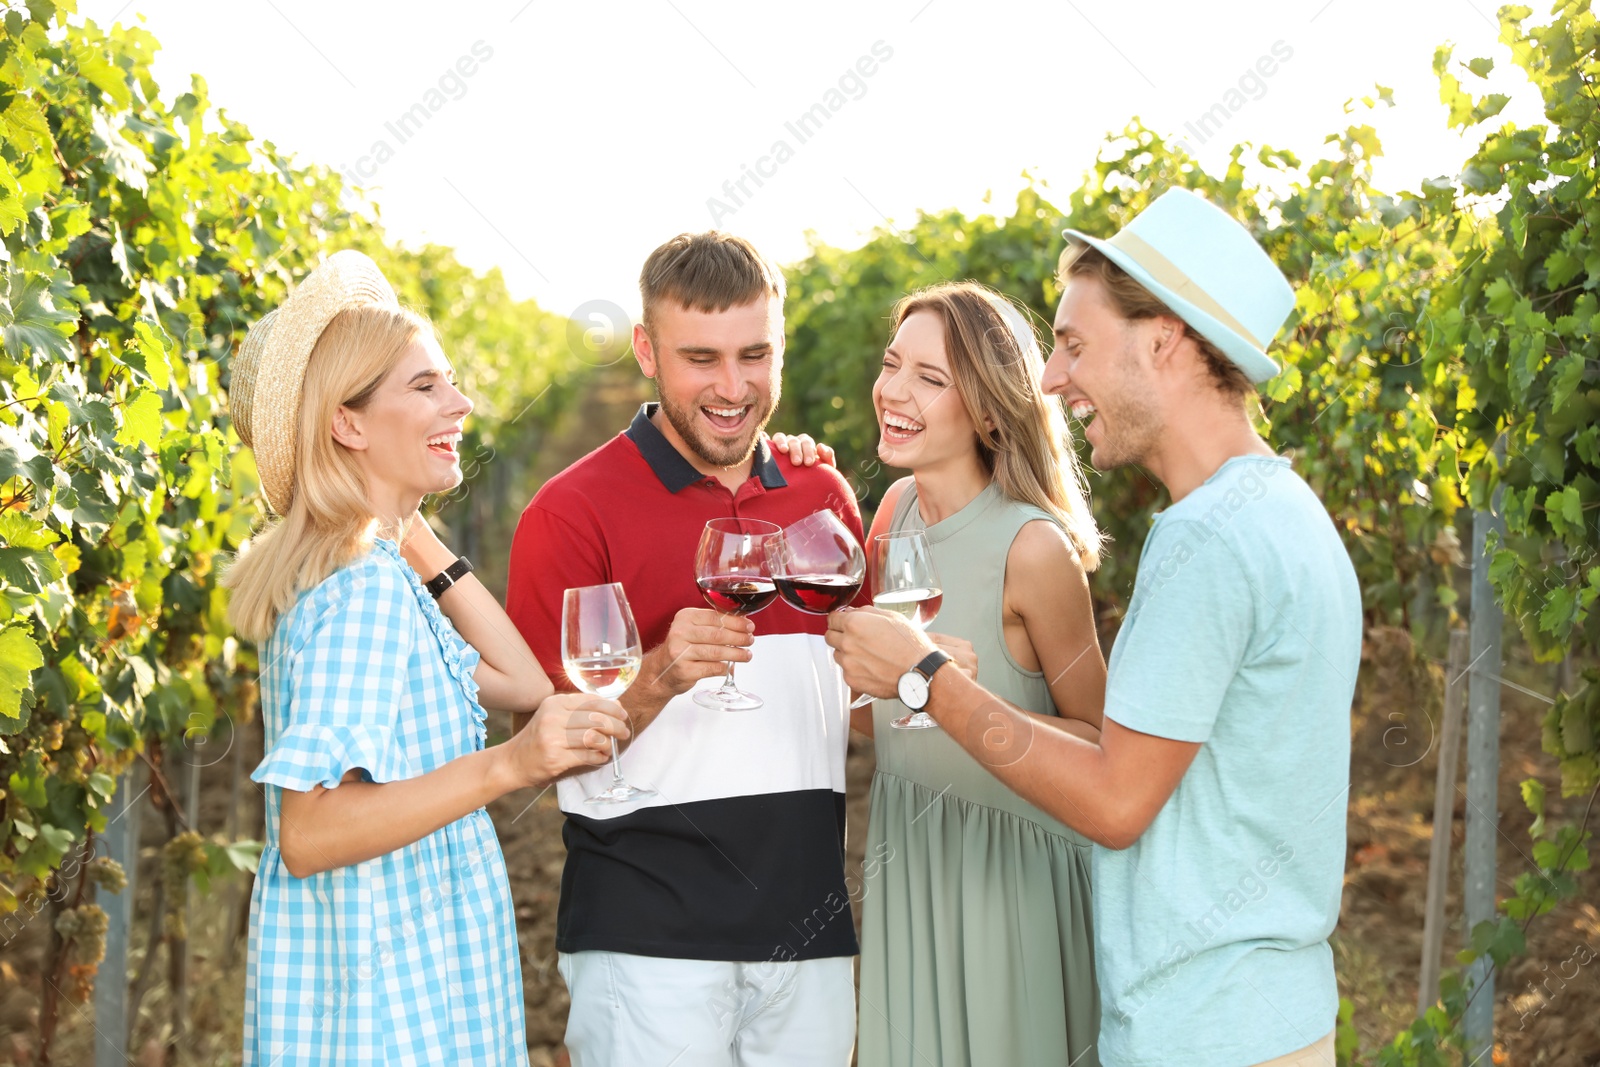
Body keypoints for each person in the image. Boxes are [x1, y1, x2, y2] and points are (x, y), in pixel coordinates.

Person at [827, 189, 1362, 1067]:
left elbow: (1114, 802)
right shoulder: (1286, 514)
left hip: (1203, 1031)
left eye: (1074, 343)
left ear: (1166, 341)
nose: (1050, 376)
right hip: (1266, 1011)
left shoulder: (1207, 538)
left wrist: (927, 679)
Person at [225, 250, 627, 1065]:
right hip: (389, 1001)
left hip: (389, 966)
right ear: (349, 422)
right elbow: (309, 829)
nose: (462, 401)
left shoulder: (378, 575)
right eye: (425, 387)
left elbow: (517, 677)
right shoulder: (361, 594)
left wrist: (407, 524)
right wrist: (509, 765)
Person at [505, 232, 865, 1066]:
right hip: (647, 942)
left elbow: (860, 702)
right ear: (646, 351)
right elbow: (538, 753)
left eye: (755, 354)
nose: (733, 388)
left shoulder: (824, 496)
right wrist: (657, 677)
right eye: (700, 357)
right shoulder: (570, 513)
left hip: (809, 936)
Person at [849, 281, 1107, 1066]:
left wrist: (952, 694)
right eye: (893, 364)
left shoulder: (1033, 548)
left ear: (991, 411)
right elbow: (877, 712)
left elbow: (1106, 746)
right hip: (910, 861)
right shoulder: (891, 515)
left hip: (1011, 878)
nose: (894, 390)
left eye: (931, 378)